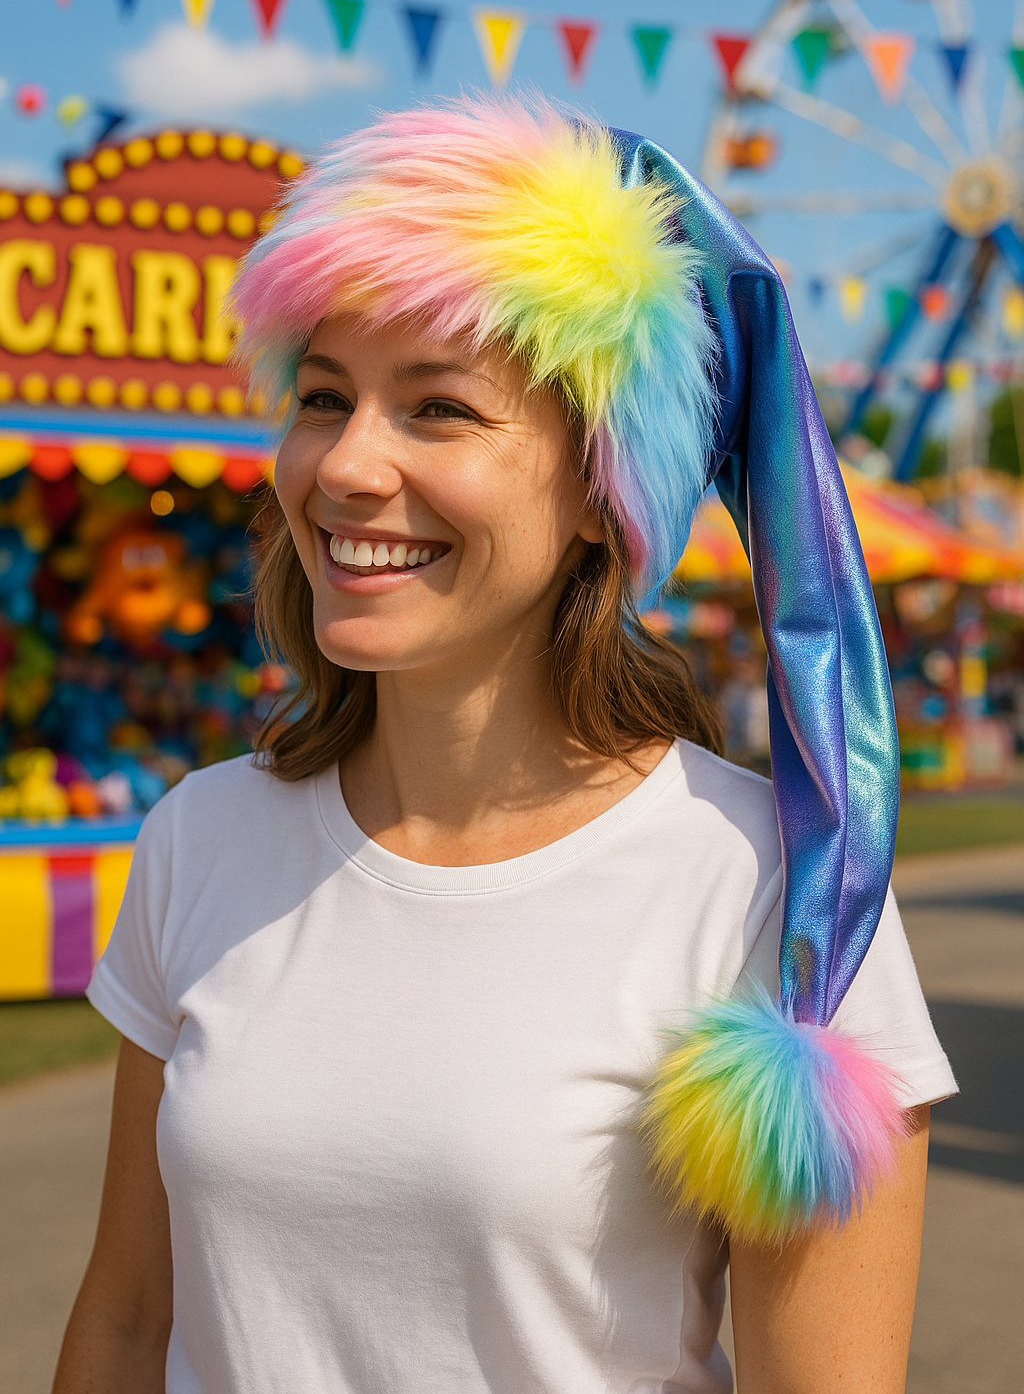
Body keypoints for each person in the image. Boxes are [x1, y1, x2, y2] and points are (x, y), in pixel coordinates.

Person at [55, 97, 955, 1394]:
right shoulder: (201, 838)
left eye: (438, 411)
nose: (349, 467)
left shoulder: (777, 897)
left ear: (601, 490)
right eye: (323, 397)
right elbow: (133, 1322)